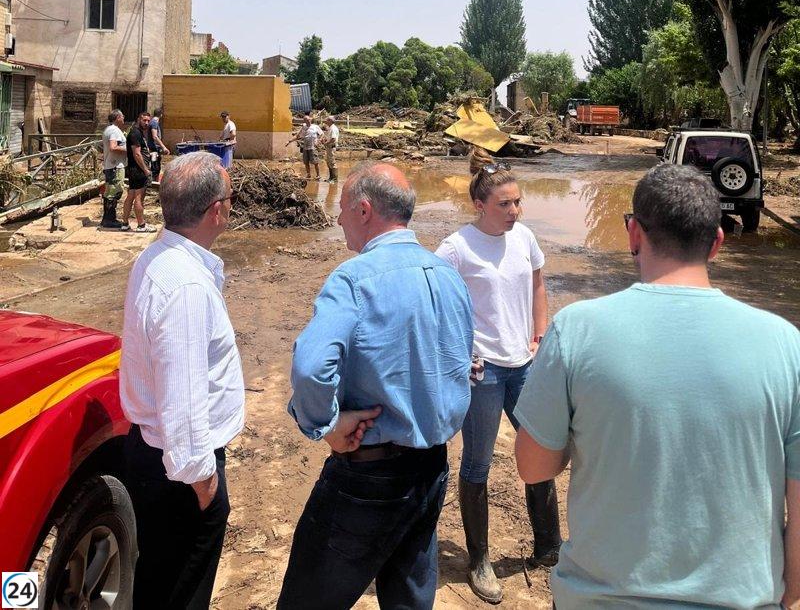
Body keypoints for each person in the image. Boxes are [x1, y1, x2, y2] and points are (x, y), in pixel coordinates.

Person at [514, 163, 800, 610]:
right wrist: (789, 595)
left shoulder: (577, 330)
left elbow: (534, 468)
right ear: (717, 244)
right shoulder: (786, 344)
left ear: (633, 234)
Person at [277, 162, 473, 610]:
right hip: (431, 467)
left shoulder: (354, 278)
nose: (339, 218)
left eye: (344, 208)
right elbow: (458, 361)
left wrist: (326, 424)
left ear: (365, 210)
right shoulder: (448, 276)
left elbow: (310, 368)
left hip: (368, 475)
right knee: (408, 597)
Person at [120, 151, 245, 610]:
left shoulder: (157, 257)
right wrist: (205, 485)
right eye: (230, 199)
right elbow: (183, 398)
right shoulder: (187, 287)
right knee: (181, 589)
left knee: (155, 578)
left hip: (155, 456)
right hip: (179, 471)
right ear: (217, 209)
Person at [436, 148, 560, 604]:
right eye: (505, 204)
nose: (515, 211)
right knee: (478, 463)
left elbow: (538, 282)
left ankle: (549, 547)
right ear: (480, 206)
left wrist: (539, 333)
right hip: (484, 372)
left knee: (540, 453)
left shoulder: (524, 237)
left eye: (518, 202)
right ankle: (479, 559)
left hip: (522, 367)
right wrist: (457, 354)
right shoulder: (455, 248)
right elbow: (438, 308)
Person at [121, 110, 156, 233]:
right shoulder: (135, 133)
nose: (146, 123)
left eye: (148, 121)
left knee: (130, 195)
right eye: (144, 120)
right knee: (139, 198)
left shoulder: (138, 133)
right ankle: (141, 225)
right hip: (138, 170)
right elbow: (136, 153)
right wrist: (145, 169)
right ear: (138, 120)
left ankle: (124, 223)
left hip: (133, 169)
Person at [100, 108, 127, 229]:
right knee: (114, 192)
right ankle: (109, 219)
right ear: (117, 118)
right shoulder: (114, 131)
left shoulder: (109, 129)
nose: (123, 119)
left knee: (111, 191)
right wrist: (129, 150)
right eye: (122, 117)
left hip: (111, 165)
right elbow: (113, 147)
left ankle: (109, 218)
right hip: (115, 166)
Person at [294, 112, 322, 182]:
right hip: (305, 147)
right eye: (305, 120)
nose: (307, 121)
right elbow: (299, 135)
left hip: (313, 147)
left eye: (308, 120)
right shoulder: (304, 127)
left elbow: (322, 134)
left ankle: (318, 175)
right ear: (304, 121)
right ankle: (308, 174)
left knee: (315, 162)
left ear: (310, 120)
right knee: (306, 162)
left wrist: (318, 141)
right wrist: (291, 140)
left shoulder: (315, 127)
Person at [147, 108, 170, 182]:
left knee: (155, 166)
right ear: (161, 115)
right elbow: (155, 136)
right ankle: (153, 184)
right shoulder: (154, 123)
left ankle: (153, 182)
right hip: (154, 149)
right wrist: (164, 147)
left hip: (154, 148)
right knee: (155, 167)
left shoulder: (152, 122)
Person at [322, 115, 340, 183]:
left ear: (330, 121)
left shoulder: (333, 128)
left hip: (331, 147)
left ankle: (335, 179)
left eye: (327, 119)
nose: (325, 120)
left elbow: (333, 139)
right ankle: (331, 178)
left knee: (332, 162)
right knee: (329, 162)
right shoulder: (330, 127)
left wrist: (326, 143)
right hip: (329, 147)